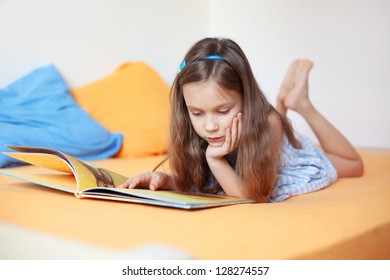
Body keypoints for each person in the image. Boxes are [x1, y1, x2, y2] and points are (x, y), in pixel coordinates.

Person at [118, 37, 363, 202]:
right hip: (263, 151)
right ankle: (285, 104)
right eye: (197, 113)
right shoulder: (191, 125)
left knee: (353, 165)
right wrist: (165, 180)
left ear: (246, 98)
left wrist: (215, 160)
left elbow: (253, 197)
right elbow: (196, 183)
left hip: (279, 158)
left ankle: (301, 104)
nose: (210, 126)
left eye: (223, 111)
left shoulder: (267, 122)